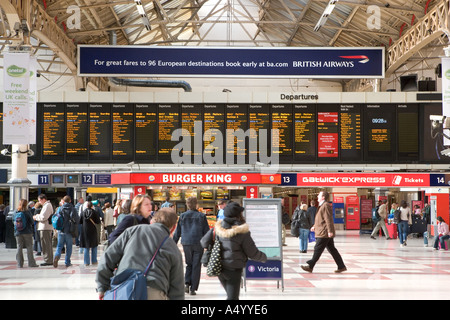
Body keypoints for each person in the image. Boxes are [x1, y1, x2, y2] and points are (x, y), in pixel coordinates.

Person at [96, 208, 184, 300]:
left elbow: (107, 258)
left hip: (124, 290)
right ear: (173, 228)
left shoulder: (132, 231)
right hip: (154, 292)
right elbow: (177, 288)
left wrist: (102, 287)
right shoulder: (173, 248)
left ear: (152, 221)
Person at [201, 201, 267, 300]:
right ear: (239, 215)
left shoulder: (217, 229)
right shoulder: (242, 232)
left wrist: (214, 245)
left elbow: (203, 242)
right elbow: (252, 252)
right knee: (233, 298)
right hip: (234, 270)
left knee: (231, 296)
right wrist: (264, 257)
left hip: (219, 268)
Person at [301, 190, 346, 273]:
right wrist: (314, 226)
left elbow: (328, 219)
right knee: (332, 249)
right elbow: (321, 219)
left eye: (319, 195)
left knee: (318, 248)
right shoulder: (322, 206)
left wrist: (330, 231)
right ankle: (341, 266)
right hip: (323, 231)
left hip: (324, 232)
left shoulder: (325, 205)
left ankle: (311, 265)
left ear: (323, 197)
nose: (317, 196)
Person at [173, 196, 210, 295]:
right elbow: (207, 232)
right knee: (196, 265)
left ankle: (186, 283)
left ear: (187, 204)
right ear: (196, 204)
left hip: (186, 243)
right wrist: (209, 244)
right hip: (198, 243)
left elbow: (178, 232)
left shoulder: (182, 216)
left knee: (189, 264)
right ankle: (193, 288)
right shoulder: (201, 216)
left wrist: (173, 244)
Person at [53, 195, 78, 268]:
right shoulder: (73, 209)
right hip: (69, 231)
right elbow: (76, 219)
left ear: (63, 201)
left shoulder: (60, 209)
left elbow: (56, 218)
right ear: (70, 201)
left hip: (61, 230)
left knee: (59, 246)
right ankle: (67, 262)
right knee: (69, 247)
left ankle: (57, 256)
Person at [14, 199, 39, 268]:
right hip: (27, 232)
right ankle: (31, 263)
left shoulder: (16, 212)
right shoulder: (27, 212)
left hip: (18, 232)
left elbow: (14, 221)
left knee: (19, 247)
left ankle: (19, 263)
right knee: (29, 247)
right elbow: (31, 222)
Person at [33, 194, 54, 266]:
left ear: (43, 199)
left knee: (46, 244)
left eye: (39, 200)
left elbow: (43, 217)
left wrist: (36, 217)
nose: (39, 202)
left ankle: (48, 260)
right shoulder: (46, 205)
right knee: (46, 244)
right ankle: (48, 259)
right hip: (45, 227)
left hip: (45, 227)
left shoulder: (47, 206)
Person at [80, 201, 101, 266]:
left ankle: (86, 262)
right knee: (94, 245)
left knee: (86, 246)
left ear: (86, 206)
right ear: (92, 206)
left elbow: (80, 221)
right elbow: (98, 221)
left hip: (85, 230)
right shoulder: (95, 212)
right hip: (92, 230)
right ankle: (94, 260)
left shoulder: (83, 212)